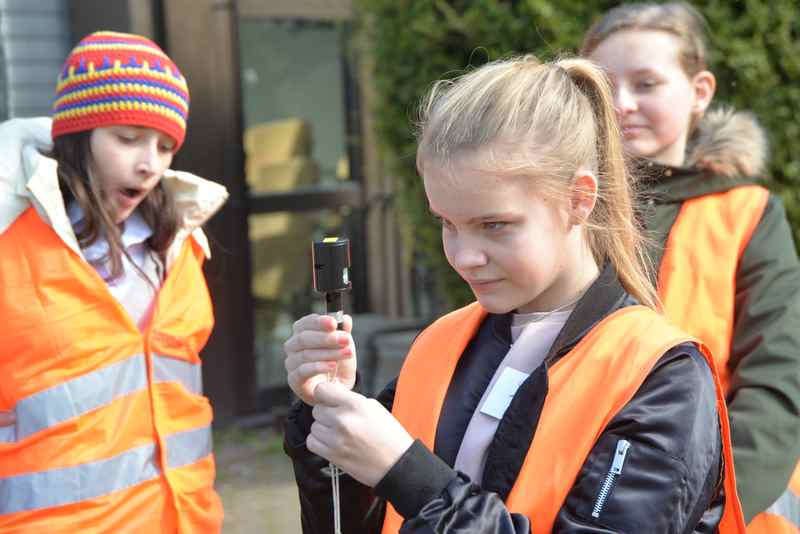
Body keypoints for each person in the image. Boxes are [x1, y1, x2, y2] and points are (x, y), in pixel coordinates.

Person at [283, 54, 746, 533]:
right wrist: (328, 419)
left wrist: (408, 473)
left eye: (494, 225)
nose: (464, 256)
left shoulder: (661, 376)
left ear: (578, 200)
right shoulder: (441, 343)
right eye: (447, 223)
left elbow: (413, 487)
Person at [582, 3, 800, 530]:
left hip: (722, 507)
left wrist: (706, 507)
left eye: (647, 83)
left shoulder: (744, 213)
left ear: (699, 91)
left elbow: (775, 377)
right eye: (604, 86)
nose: (622, 104)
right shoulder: (565, 209)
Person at [0, 31, 227, 532]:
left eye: (166, 146)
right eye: (128, 139)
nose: (149, 164)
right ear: (80, 137)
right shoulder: (9, 247)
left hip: (181, 520)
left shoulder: (180, 245)